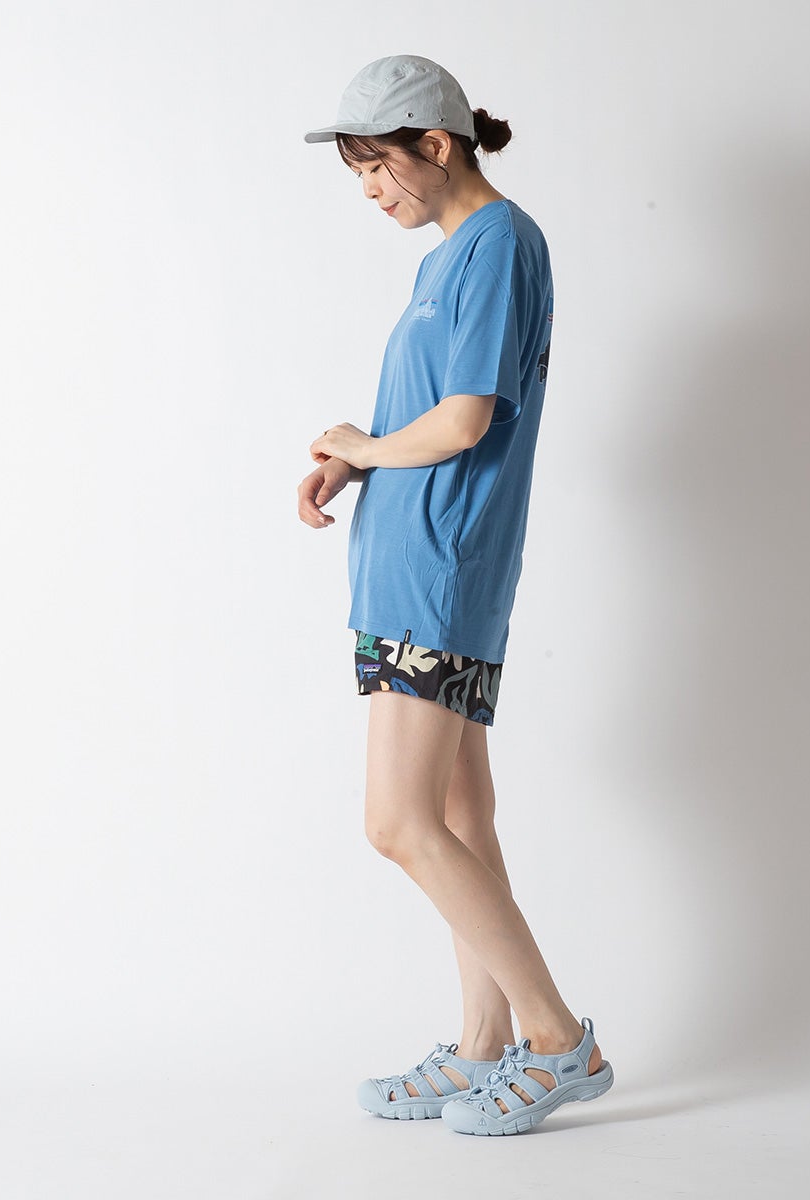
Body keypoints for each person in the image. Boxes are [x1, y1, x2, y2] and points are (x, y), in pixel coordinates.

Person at [297, 54, 613, 1136]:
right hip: (411, 565)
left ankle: (558, 1040)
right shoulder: (449, 258)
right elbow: (432, 420)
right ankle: (484, 1043)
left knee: (397, 823)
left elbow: (469, 419)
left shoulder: (500, 243)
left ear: (437, 145)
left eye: (376, 167)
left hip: (440, 570)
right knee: (460, 815)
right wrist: (355, 463)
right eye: (356, 174)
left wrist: (366, 446)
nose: (368, 191)